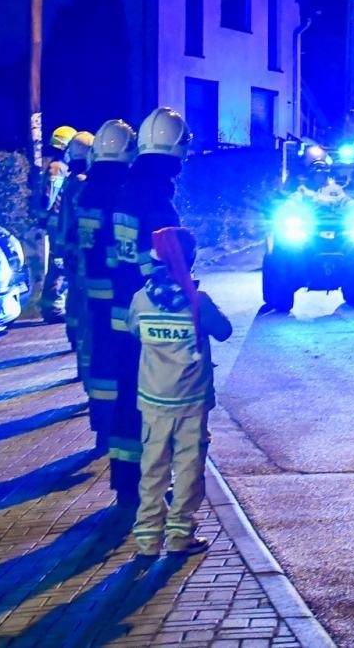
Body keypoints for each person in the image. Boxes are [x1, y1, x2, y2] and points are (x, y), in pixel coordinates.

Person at [127, 225, 232, 560]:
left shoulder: (141, 299)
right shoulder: (197, 301)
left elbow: (133, 331)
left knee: (152, 467)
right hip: (191, 401)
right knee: (188, 468)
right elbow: (225, 332)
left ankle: (146, 540)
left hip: (153, 399)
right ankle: (179, 536)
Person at [109, 107, 191, 516]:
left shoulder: (127, 189)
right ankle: (153, 488)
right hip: (154, 319)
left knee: (127, 398)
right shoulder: (157, 201)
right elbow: (162, 265)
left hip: (125, 313)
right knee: (159, 406)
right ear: (175, 152)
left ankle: (126, 483)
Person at [77, 119, 135, 451]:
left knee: (100, 353)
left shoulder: (88, 189)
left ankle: (100, 423)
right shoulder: (119, 190)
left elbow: (82, 240)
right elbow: (117, 245)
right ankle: (114, 426)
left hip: (92, 287)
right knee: (119, 358)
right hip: (116, 290)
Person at [53, 131, 95, 357]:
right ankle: (79, 340)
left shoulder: (70, 181)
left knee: (74, 296)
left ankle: (74, 335)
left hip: (69, 248)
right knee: (81, 297)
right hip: (79, 249)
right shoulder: (82, 183)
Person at [33, 124, 79, 323]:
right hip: (57, 222)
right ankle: (53, 308)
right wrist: (45, 218)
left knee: (59, 263)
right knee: (59, 264)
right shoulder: (57, 168)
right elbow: (48, 198)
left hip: (57, 222)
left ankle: (53, 305)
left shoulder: (58, 166)